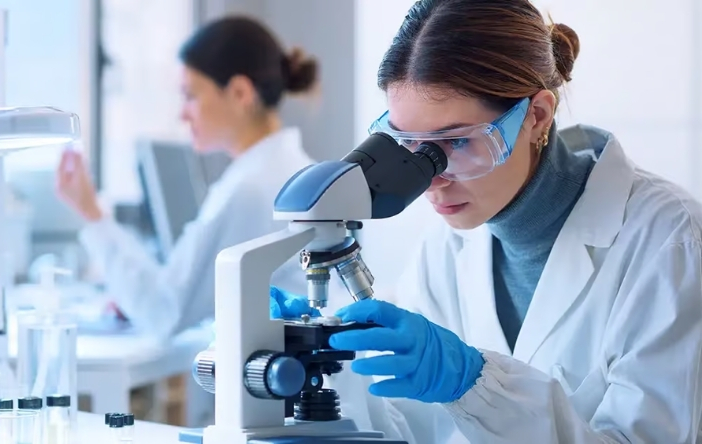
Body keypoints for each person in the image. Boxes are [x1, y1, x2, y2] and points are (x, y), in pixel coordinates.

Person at [271, 0, 702, 442]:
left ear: (536, 116)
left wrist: (476, 386)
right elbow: (408, 428)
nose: (428, 180)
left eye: (456, 141)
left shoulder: (668, 241)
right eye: (407, 145)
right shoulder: (446, 248)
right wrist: (325, 363)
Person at [57, 16, 319, 342]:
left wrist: (92, 214)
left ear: (239, 93)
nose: (183, 114)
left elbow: (164, 311)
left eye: (190, 95)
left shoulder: (252, 187)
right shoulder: (287, 169)